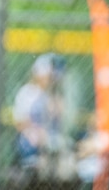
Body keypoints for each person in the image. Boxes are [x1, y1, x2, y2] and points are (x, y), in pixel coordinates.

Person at [12, 53, 76, 181]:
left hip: (53, 141)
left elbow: (64, 122)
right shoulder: (27, 93)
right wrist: (40, 133)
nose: (52, 79)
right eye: (49, 75)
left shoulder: (54, 95)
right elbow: (20, 123)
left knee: (67, 153)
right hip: (33, 142)